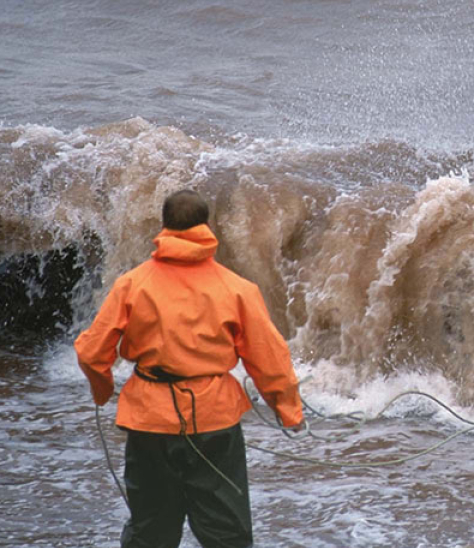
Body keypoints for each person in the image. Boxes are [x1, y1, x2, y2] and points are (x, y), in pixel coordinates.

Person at [75, 189, 304, 548]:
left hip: (149, 422)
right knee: (227, 534)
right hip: (214, 424)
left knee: (151, 532)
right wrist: (289, 412)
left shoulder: (133, 284)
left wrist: (103, 391)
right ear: (206, 227)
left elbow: (91, 352)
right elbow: (269, 357)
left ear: (164, 227)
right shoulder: (236, 288)